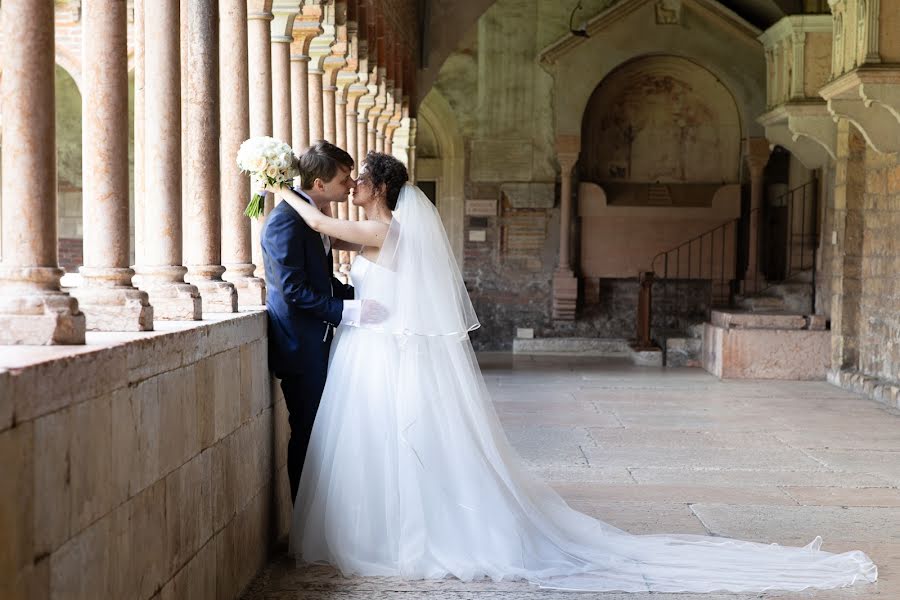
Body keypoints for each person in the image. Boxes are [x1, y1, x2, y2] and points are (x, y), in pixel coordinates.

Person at [264, 152, 877, 593]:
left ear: (380, 190)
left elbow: (317, 224)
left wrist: (275, 183)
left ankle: (393, 533)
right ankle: (386, 528)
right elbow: (326, 248)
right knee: (388, 445)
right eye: (348, 180)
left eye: (359, 180)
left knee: (393, 444)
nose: (351, 187)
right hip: (373, 347)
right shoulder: (385, 228)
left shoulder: (379, 227)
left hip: (378, 352)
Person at [259, 140, 384, 503]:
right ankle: (304, 524)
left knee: (325, 434)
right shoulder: (286, 222)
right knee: (309, 434)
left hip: (322, 340)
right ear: (319, 185)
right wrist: (350, 311)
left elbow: (320, 281)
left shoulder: (313, 217)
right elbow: (293, 290)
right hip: (300, 346)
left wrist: (354, 300)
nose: (350, 185)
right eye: (345, 179)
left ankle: (322, 520)